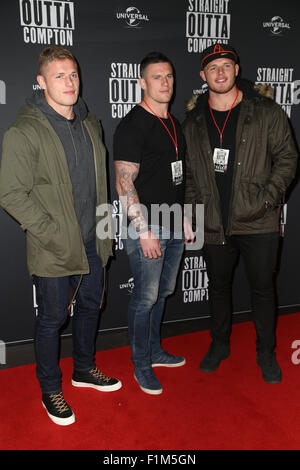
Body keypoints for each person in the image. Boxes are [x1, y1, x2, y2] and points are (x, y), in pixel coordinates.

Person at [0, 46, 121, 426]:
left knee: (89, 309)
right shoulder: (24, 131)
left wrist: (105, 231)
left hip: (93, 240)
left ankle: (83, 369)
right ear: (41, 82)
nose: (69, 83)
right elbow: (11, 193)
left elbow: (100, 187)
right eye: (58, 76)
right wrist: (52, 232)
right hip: (54, 245)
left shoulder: (91, 123)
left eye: (73, 75)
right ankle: (50, 387)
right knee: (52, 319)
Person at [183, 44, 298, 384]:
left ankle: (266, 351)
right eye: (213, 67)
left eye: (227, 65)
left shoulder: (265, 111)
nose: (220, 72)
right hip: (213, 221)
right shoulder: (193, 121)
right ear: (203, 76)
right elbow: (189, 174)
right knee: (218, 287)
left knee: (263, 289)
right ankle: (219, 345)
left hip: (258, 220)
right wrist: (193, 212)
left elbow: (288, 159)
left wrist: (267, 200)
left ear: (237, 69)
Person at [113, 52, 194, 395]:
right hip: (149, 226)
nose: (165, 83)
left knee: (162, 293)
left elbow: (176, 177)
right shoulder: (133, 124)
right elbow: (124, 183)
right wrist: (143, 230)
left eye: (169, 76)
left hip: (174, 223)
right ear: (142, 83)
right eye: (157, 77)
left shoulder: (173, 123)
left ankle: (156, 351)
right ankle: (141, 363)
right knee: (144, 299)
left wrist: (186, 216)